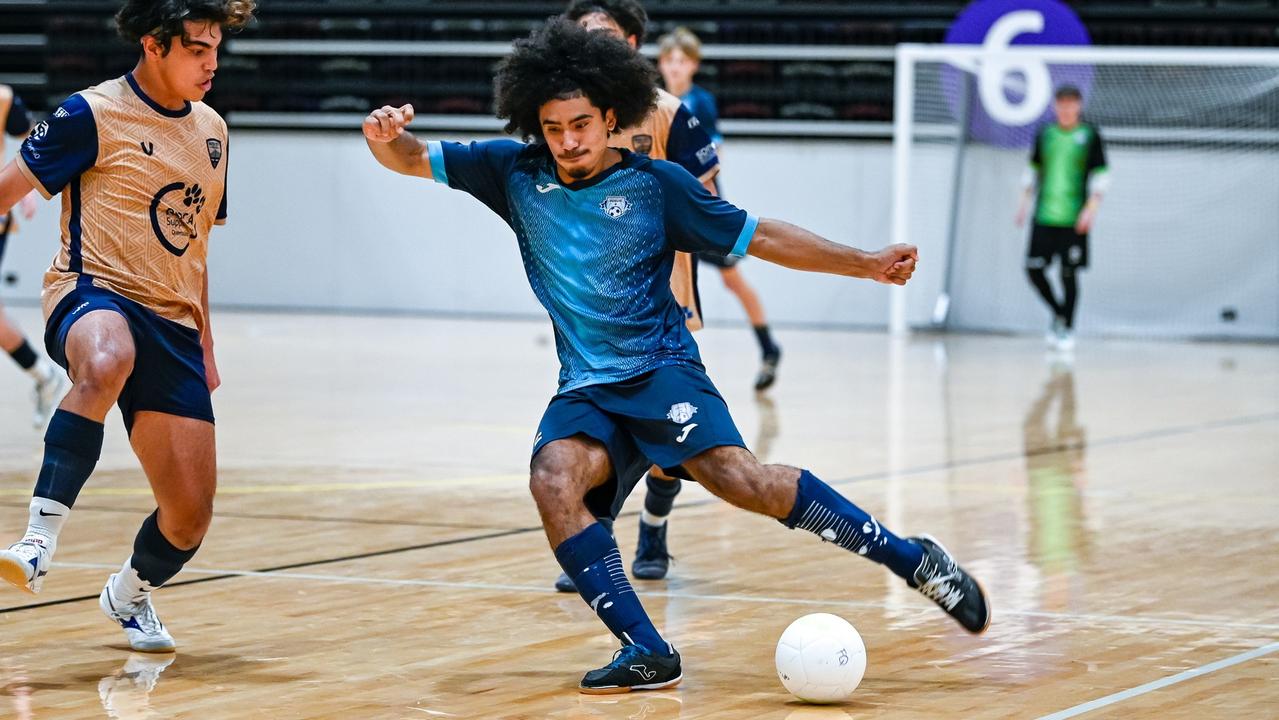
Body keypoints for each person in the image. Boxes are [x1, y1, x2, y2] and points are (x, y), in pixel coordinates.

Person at [364, 19, 989, 694]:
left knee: (743, 482)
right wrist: (385, 137)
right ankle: (646, 648)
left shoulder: (656, 187)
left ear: (610, 118)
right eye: (552, 127)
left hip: (661, 370)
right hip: (586, 388)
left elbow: (761, 236)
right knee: (552, 478)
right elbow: (410, 157)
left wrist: (863, 263)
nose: (568, 142)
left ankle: (914, 560)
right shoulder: (513, 173)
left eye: (581, 124)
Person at [0, 0, 254, 653]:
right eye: (198, 49)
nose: (212, 64)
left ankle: (129, 593)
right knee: (107, 357)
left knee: (189, 519)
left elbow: (195, 246)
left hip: (172, 322)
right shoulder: (92, 112)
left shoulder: (214, 130)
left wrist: (206, 339)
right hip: (91, 292)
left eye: (216, 49)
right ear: (153, 44)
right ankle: (37, 539)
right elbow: (6, 187)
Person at [556, 0, 725, 592]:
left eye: (602, 36)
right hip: (590, 305)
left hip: (663, 295)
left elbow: (705, 200)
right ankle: (592, 542)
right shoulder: (562, 117)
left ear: (629, 42)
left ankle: (652, 526)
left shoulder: (668, 114)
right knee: (594, 426)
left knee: (663, 437)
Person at [657, 27, 782, 391]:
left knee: (732, 279)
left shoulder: (701, 103)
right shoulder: (654, 102)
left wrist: (695, 186)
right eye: (669, 60)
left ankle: (769, 347)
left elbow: (714, 153)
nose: (675, 67)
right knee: (667, 280)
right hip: (667, 207)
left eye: (682, 61)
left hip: (701, 203)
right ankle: (669, 366)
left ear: (693, 65)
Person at [1015, 85, 1109, 351]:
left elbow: (1102, 174)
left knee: (1069, 274)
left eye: (1071, 104)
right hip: (1044, 216)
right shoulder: (1046, 134)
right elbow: (1033, 168)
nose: (1066, 110)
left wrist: (1090, 209)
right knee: (1034, 269)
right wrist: (1023, 204)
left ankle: (1067, 328)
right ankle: (1059, 314)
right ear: (1056, 106)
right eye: (1062, 104)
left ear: (1078, 106)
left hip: (1073, 219)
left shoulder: (1089, 135)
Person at [0, 84, 64, 426]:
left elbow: (31, 138)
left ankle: (44, 376)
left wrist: (24, 187)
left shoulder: (4, 99)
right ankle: (43, 375)